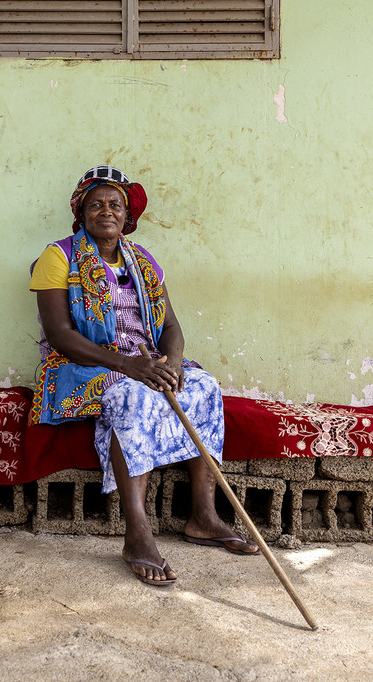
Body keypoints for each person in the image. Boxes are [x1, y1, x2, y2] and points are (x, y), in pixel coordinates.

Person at [29, 165, 259, 586]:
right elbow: (60, 335)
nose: (106, 211)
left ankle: (203, 516)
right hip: (84, 366)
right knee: (132, 396)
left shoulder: (143, 260)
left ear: (127, 214)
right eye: (95, 204)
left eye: (115, 204)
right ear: (81, 212)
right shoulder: (58, 256)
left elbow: (171, 327)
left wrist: (171, 363)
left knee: (203, 386)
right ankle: (136, 534)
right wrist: (127, 366)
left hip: (146, 360)